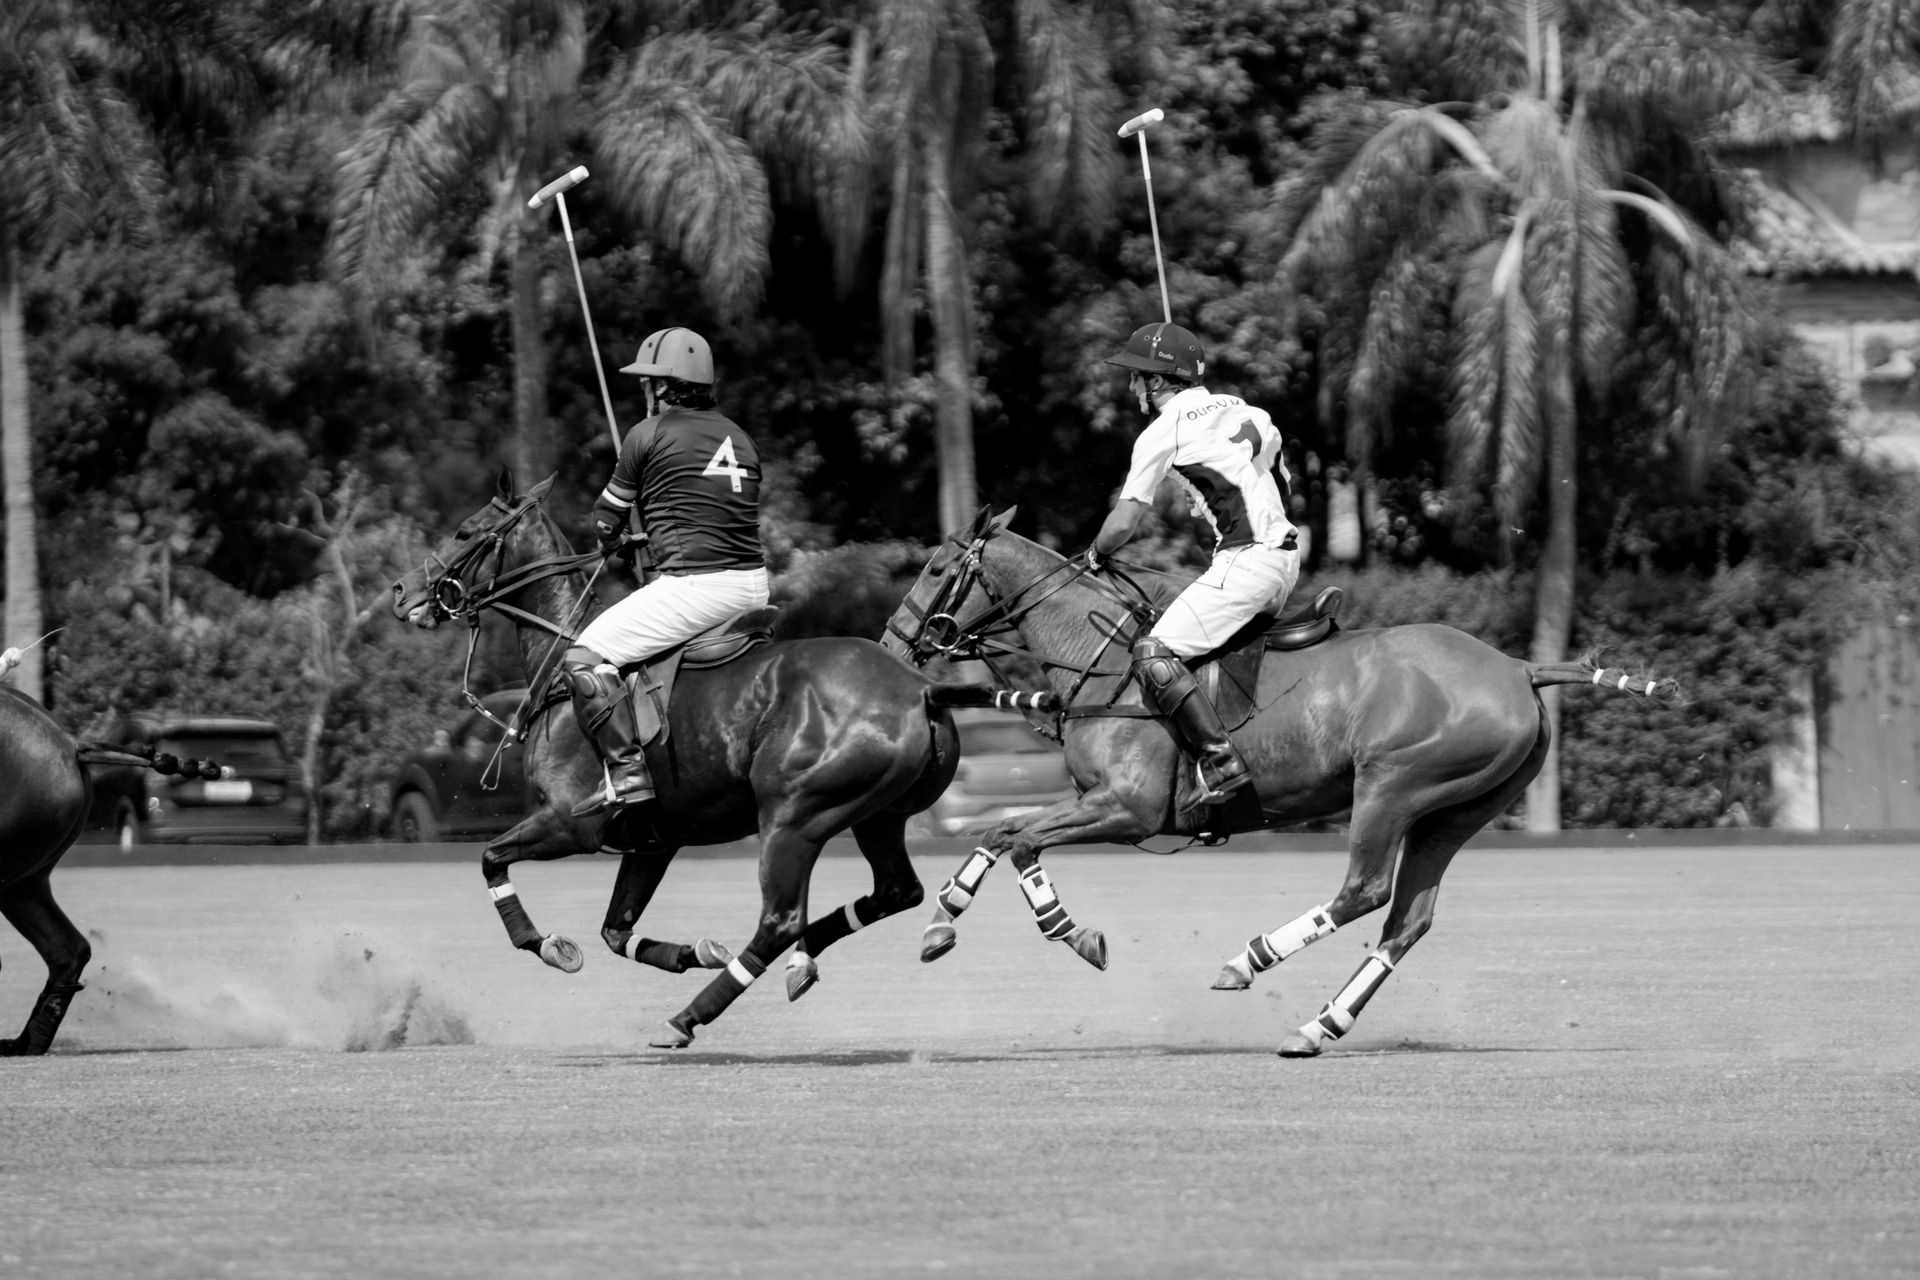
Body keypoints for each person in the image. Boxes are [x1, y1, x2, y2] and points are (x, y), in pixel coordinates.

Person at [1086, 321, 1300, 802]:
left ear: (1158, 381)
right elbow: (1280, 488)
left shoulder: (1162, 431)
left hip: (1246, 563)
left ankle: (1219, 760)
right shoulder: (1250, 410)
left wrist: (1097, 554)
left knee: (1153, 651)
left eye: (1137, 376)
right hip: (1285, 559)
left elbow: (1125, 519)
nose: (1132, 386)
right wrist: (1208, 501)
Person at [564, 327, 769, 816]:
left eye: (645, 383)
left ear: (661, 386)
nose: (643, 392)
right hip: (755, 587)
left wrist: (615, 542)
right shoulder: (740, 437)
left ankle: (629, 769)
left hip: (698, 588)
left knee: (583, 658)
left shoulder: (646, 434)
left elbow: (604, 520)